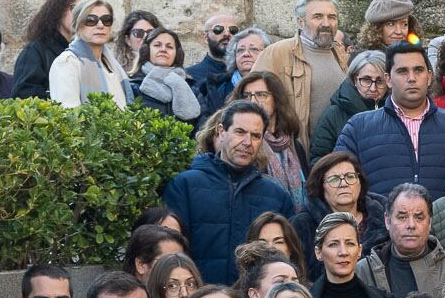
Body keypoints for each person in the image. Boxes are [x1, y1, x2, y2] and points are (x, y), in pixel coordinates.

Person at [161, 102, 296, 285]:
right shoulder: (184, 185)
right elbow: (171, 251)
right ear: (221, 132)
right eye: (240, 132)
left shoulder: (276, 195)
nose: (247, 142)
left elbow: (290, 255)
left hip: (254, 297)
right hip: (197, 296)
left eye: (255, 136)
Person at [334, 43, 445, 197]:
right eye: (402, 71)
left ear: (429, 77)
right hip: (381, 213)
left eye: (418, 70)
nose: (412, 78)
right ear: (388, 79)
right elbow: (338, 183)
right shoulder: (358, 127)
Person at [310, 213, 394, 298]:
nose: (343, 252)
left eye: (349, 243)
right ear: (318, 252)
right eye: (333, 244)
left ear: (359, 250)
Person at [232, 69, 310, 202]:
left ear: (277, 99)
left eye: (261, 95)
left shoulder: (293, 145)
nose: (253, 101)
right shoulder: (243, 145)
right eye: (246, 96)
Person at [362, 182, 445, 296]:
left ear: (430, 222)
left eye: (419, 217)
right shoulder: (364, 271)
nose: (411, 225)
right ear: (387, 221)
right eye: (402, 217)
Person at [48, 0, 133, 109]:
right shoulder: (67, 63)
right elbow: (68, 113)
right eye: (91, 20)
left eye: (106, 20)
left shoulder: (112, 64)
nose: (100, 25)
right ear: (77, 25)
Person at [297, 150, 386, 256]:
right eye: (334, 179)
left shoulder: (385, 219)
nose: (343, 184)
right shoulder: (303, 226)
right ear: (320, 186)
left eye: (350, 177)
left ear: (360, 183)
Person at [10, 0, 88, 102]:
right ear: (59, 10)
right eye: (75, 8)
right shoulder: (35, 50)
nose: (80, 15)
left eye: (85, 11)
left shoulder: (86, 52)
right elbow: (23, 96)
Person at [310, 50, 387, 165]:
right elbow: (318, 160)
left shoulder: (396, 111)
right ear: (355, 79)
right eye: (366, 80)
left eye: (380, 81)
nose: (373, 88)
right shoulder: (334, 114)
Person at [129, 28, 201, 124]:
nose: (163, 49)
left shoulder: (193, 88)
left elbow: (202, 124)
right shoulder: (133, 86)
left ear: (177, 54)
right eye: (157, 45)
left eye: (169, 47)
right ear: (147, 51)